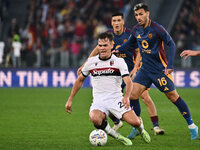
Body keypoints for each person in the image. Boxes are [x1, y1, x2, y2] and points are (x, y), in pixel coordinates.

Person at [114, 3, 198, 140]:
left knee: (173, 97)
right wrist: (118, 50)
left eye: (141, 14)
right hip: (145, 70)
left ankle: (192, 126)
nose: (138, 17)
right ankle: (137, 126)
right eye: (136, 15)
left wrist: (170, 65)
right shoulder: (136, 30)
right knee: (132, 95)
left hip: (159, 70)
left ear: (147, 14)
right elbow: (129, 44)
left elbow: (171, 43)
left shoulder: (157, 29)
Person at [77, 12, 165, 137]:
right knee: (108, 99)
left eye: (119, 20)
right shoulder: (107, 35)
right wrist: (85, 64)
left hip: (129, 72)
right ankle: (117, 122)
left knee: (144, 97)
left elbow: (139, 51)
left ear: (123, 22)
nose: (116, 23)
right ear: (111, 23)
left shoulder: (130, 34)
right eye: (114, 21)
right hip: (113, 75)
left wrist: (135, 68)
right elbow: (96, 50)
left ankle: (154, 126)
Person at [65, 32, 151, 145]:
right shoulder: (91, 62)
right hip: (99, 101)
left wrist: (126, 97)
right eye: (100, 45)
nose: (102, 48)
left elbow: (128, 82)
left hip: (116, 99)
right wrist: (70, 99)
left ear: (111, 45)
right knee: (94, 118)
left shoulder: (119, 62)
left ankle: (141, 130)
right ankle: (117, 136)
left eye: (105, 45)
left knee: (135, 122)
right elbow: (79, 80)